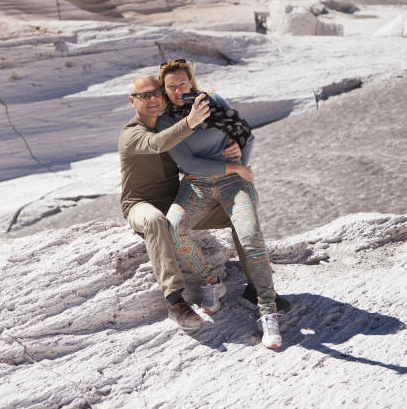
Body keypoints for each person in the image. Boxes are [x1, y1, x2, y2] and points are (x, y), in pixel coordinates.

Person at [155, 59, 284, 349]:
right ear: (164, 89)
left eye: (183, 84)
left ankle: (268, 312)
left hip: (233, 183)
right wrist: (233, 168)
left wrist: (240, 164)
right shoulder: (166, 122)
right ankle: (211, 281)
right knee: (174, 227)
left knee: (250, 237)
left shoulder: (214, 102)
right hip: (196, 184)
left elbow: (246, 135)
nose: (178, 91)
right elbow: (188, 162)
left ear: (192, 83)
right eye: (171, 86)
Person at [119, 75, 212, 332]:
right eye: (144, 95)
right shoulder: (131, 134)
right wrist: (190, 121)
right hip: (140, 204)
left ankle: (258, 289)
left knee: (231, 204)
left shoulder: (167, 124)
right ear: (132, 101)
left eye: (156, 93)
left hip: (173, 200)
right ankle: (175, 301)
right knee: (155, 220)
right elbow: (157, 144)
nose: (152, 99)